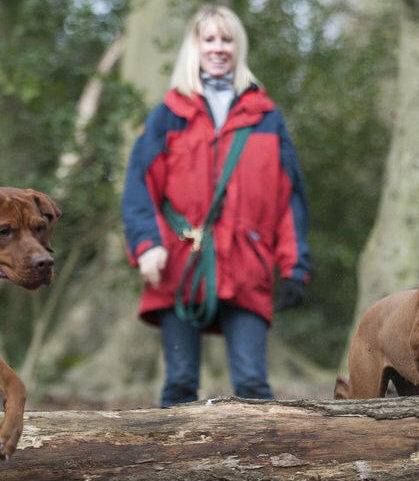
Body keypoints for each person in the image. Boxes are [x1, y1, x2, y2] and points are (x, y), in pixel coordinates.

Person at [121, 4, 312, 407]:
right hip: (180, 264)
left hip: (248, 264)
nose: (219, 47)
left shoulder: (267, 117)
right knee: (179, 384)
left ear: (238, 47)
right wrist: (146, 245)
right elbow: (140, 186)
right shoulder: (169, 115)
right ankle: (171, 468)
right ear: (195, 46)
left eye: (227, 39)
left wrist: (294, 266)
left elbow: (288, 198)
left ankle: (263, 467)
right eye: (209, 39)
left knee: (253, 385)